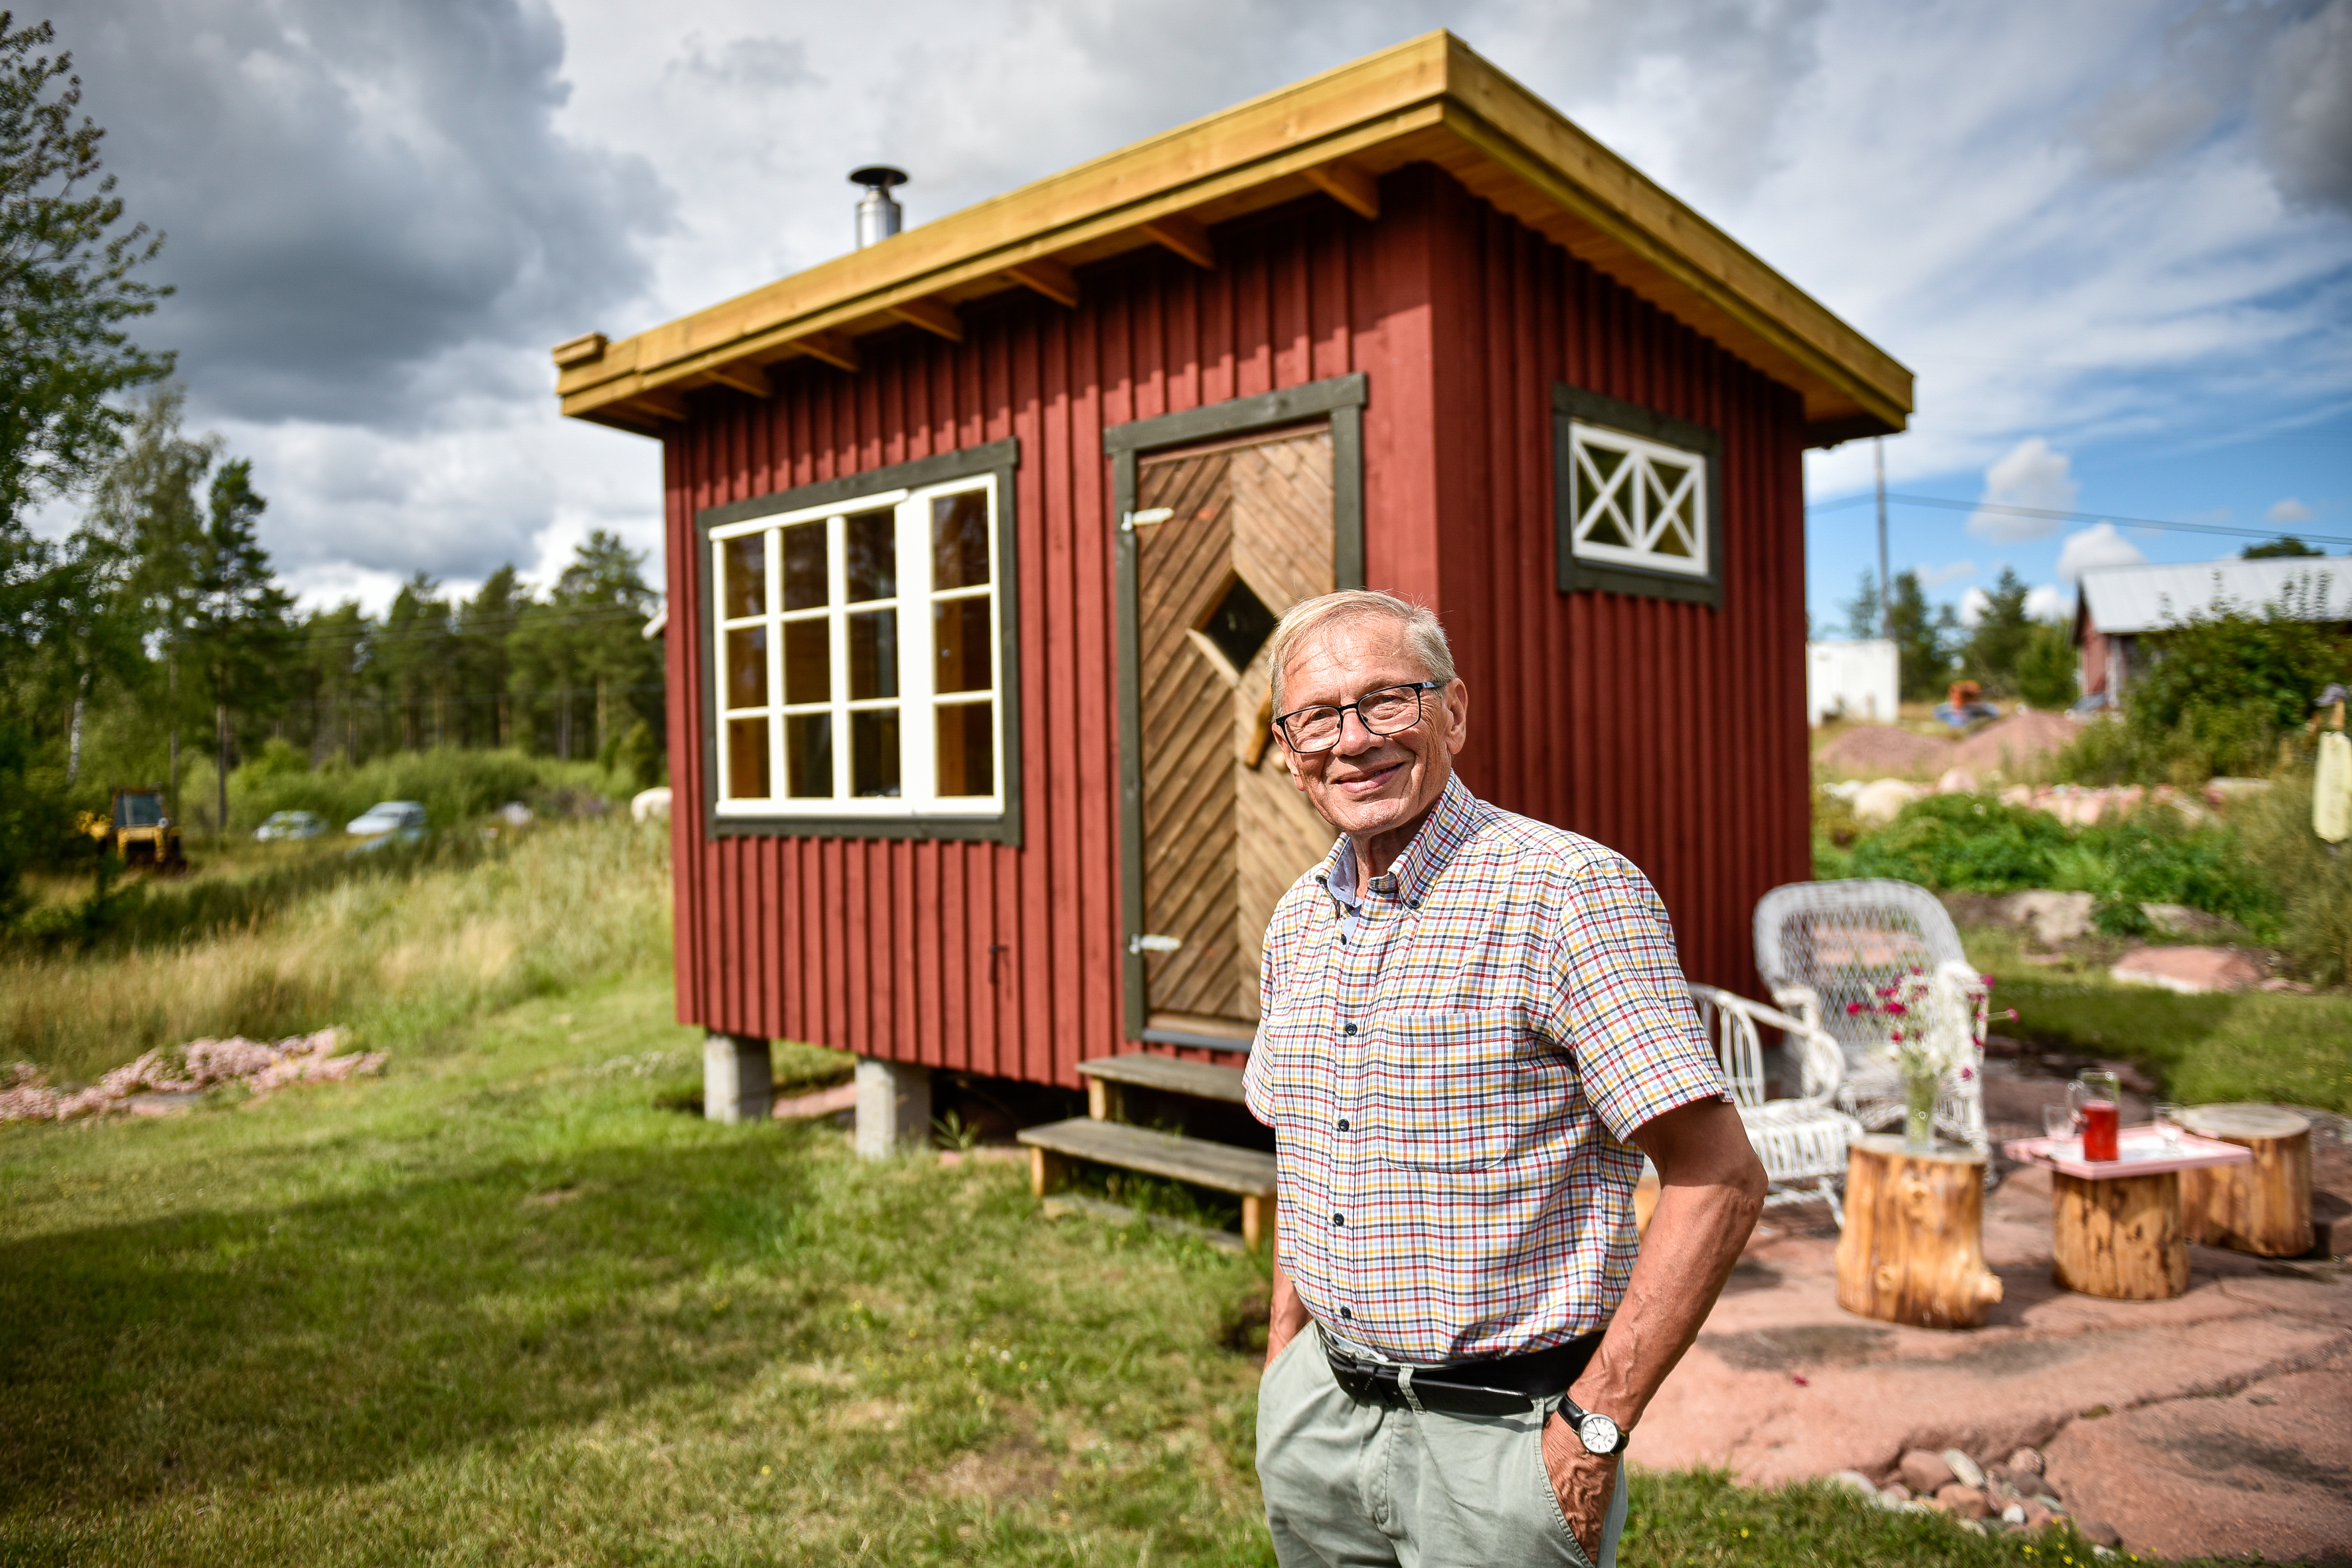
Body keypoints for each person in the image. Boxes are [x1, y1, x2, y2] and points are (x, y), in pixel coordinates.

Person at [1243, 589, 1767, 1568]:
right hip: (1320, 1417)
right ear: (1288, 748)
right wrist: (1286, 1363)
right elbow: (1307, 1150)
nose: (1353, 740)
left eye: (1388, 700)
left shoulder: (1567, 892)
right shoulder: (1297, 920)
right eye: (1318, 715)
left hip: (1502, 1445)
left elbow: (1719, 1179)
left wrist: (1593, 1430)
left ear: (1455, 712)